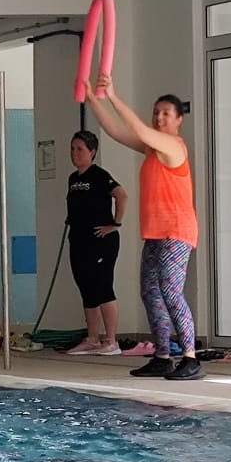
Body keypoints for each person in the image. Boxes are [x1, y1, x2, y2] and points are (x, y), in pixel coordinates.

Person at [90, 74, 201, 380]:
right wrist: (92, 99)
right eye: (156, 112)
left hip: (176, 232)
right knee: (150, 292)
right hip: (155, 232)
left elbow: (136, 128)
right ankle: (163, 356)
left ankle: (190, 357)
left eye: (166, 113)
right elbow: (115, 131)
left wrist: (112, 95)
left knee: (171, 292)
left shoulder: (173, 146)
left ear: (179, 119)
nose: (158, 116)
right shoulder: (153, 149)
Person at [64, 129, 128, 354]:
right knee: (87, 289)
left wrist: (115, 224)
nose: (75, 153)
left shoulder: (99, 175)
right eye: (72, 149)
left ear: (92, 152)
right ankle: (92, 338)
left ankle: (111, 340)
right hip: (79, 241)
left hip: (101, 241)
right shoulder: (74, 178)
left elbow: (121, 195)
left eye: (80, 149)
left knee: (102, 288)